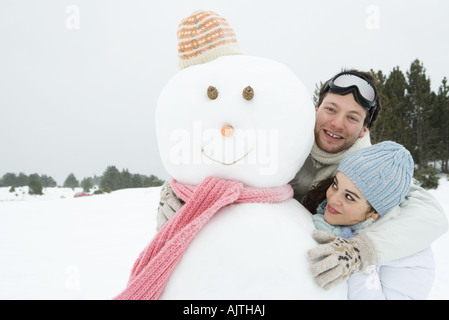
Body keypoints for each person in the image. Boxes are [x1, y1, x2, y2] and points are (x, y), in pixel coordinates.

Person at [157, 68, 448, 289]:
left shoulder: (368, 170)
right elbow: (225, 155)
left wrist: (360, 252)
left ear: (363, 130)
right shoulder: (286, 140)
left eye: (352, 117)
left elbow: (432, 215)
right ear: (316, 109)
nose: (336, 123)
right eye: (331, 110)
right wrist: (177, 187)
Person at [303, 141, 435, 299]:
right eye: (336, 185)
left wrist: (353, 256)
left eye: (349, 197)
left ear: (375, 212)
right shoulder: (345, 216)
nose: (332, 198)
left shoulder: (405, 249)